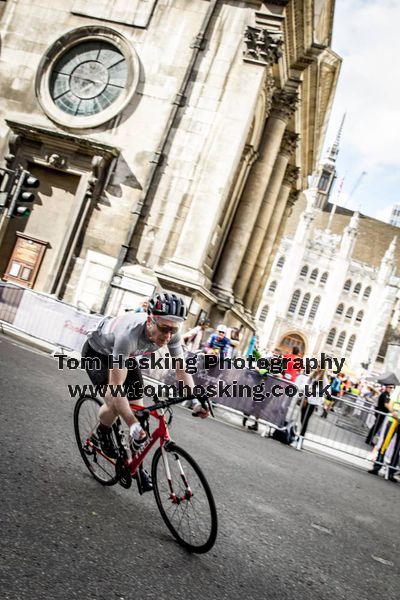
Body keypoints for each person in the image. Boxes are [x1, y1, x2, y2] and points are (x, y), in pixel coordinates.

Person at [81, 292, 208, 491]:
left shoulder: (170, 334)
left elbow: (181, 370)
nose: (168, 335)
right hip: (97, 354)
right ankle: (103, 432)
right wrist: (130, 423)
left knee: (139, 413)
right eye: (164, 328)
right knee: (116, 403)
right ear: (150, 320)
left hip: (126, 357)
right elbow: (115, 387)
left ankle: (134, 465)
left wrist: (196, 401)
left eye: (173, 330)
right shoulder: (128, 335)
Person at [368, 393, 400, 482]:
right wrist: (394, 413)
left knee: (398, 449)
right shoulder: (398, 389)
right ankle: (377, 467)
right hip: (393, 420)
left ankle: (391, 473)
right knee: (384, 444)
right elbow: (389, 404)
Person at [296, 367, 331, 449]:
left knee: (305, 420)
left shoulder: (324, 378)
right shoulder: (312, 374)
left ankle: (300, 439)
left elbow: (328, 391)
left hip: (313, 402)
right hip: (305, 399)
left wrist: (317, 391)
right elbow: (305, 385)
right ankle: (300, 438)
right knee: (302, 419)